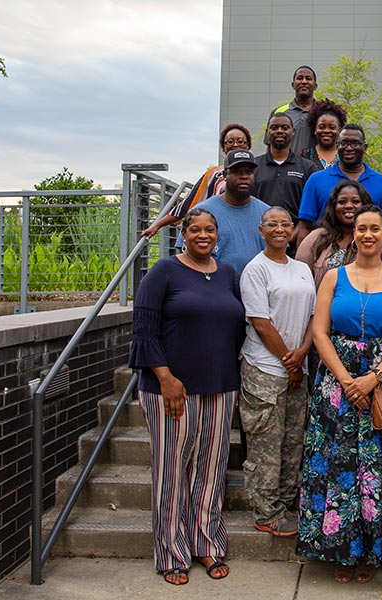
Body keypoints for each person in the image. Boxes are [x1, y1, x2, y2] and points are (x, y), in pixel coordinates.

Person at [296, 205, 382, 584]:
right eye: (361, 228)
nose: (368, 235)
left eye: (375, 229)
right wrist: (347, 380)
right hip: (335, 386)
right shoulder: (333, 277)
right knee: (336, 464)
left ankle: (372, 550)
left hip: (380, 384)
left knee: (376, 468)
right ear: (353, 233)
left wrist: (373, 378)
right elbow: (319, 332)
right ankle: (341, 550)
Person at [129, 208, 245, 585]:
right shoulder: (163, 272)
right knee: (171, 472)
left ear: (217, 234)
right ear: (183, 233)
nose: (203, 235)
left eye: (209, 229)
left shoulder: (227, 274)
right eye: (195, 229)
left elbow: (236, 328)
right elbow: (144, 330)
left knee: (211, 471)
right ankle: (172, 552)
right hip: (171, 389)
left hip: (220, 385)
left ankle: (207, 543)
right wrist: (165, 377)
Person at [239, 207, 317, 538]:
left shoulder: (302, 269)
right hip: (265, 368)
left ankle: (287, 503)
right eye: (272, 224)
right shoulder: (255, 270)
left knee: (293, 439)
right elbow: (260, 321)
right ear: (261, 230)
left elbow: (315, 314)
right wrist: (289, 359)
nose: (280, 229)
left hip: (299, 366)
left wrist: (301, 355)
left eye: (286, 224)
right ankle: (266, 511)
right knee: (267, 442)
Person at [296, 124, 382, 245]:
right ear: (337, 147)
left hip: (371, 256)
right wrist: (302, 262)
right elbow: (305, 227)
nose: (349, 148)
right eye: (344, 143)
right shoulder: (316, 180)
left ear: (365, 147)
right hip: (326, 255)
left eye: (355, 143)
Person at [142, 123, 251, 238]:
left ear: (247, 146)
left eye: (240, 141)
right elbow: (187, 204)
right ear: (223, 147)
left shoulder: (255, 173)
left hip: (246, 230)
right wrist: (157, 225)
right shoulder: (214, 174)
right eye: (229, 141)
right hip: (216, 233)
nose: (235, 144)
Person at [296, 180, 382, 289]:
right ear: (333, 206)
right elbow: (300, 280)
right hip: (324, 304)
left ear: (364, 205)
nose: (349, 206)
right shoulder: (316, 238)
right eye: (342, 202)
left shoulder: (380, 237)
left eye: (355, 201)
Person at [191, 149, 270, 277]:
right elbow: (186, 256)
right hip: (214, 288)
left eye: (248, 172)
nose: (244, 176)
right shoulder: (202, 212)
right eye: (238, 172)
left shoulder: (268, 214)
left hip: (258, 290)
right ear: (224, 175)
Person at [252, 113, 318, 227]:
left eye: (284, 127)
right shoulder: (253, 166)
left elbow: (313, 206)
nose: (279, 131)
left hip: (295, 237)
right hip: (260, 236)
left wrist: (296, 233)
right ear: (267, 133)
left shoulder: (308, 167)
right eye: (274, 127)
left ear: (293, 132)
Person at [263, 65, 318, 153]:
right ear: (293, 85)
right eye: (300, 78)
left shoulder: (322, 113)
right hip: (286, 165)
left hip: (315, 166)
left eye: (308, 78)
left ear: (315, 86)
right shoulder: (279, 112)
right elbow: (270, 146)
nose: (304, 81)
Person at [301, 98, 347, 169]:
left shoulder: (346, 155)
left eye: (332, 127)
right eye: (322, 127)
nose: (326, 131)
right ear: (315, 129)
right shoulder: (304, 156)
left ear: (339, 130)